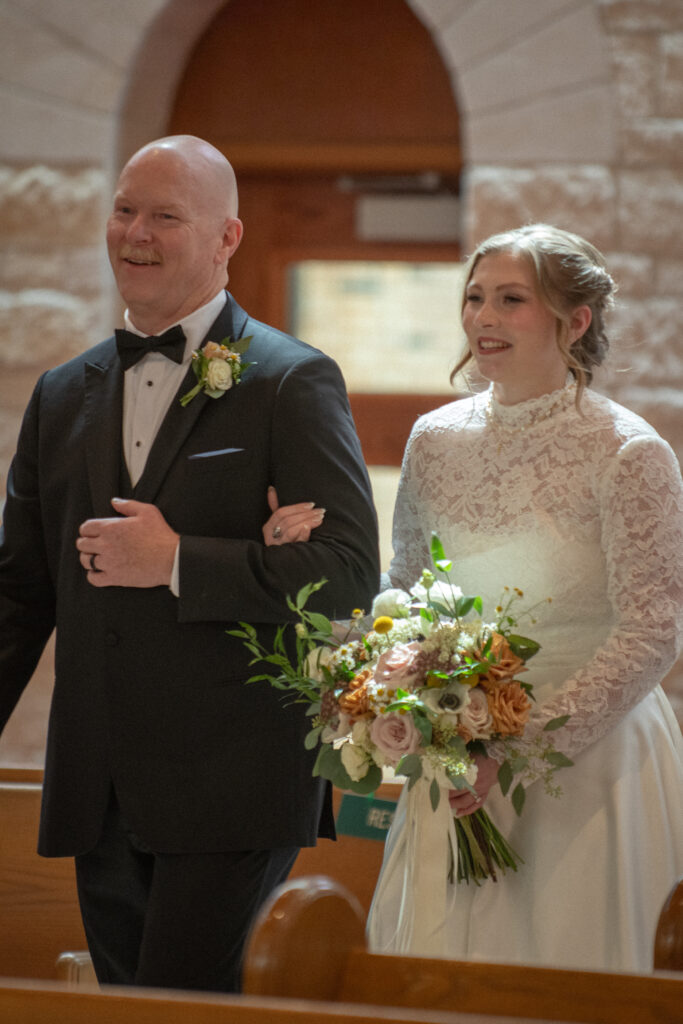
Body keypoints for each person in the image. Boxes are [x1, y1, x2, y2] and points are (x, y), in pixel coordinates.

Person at [0, 134, 379, 992]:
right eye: (125, 209)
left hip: (233, 779)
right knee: (125, 1007)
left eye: (165, 215)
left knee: (184, 1008)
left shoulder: (290, 380)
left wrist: (178, 561)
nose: (135, 232)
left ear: (226, 238)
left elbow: (350, 572)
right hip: (98, 784)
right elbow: (17, 592)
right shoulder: (64, 391)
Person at [286, 223, 683, 972]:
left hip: (586, 766)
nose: (483, 319)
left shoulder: (629, 452)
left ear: (575, 320)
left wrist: (522, 750)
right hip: (453, 749)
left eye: (510, 300)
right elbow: (403, 587)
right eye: (474, 299)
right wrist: (393, 689)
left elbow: (652, 631)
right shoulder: (433, 440)